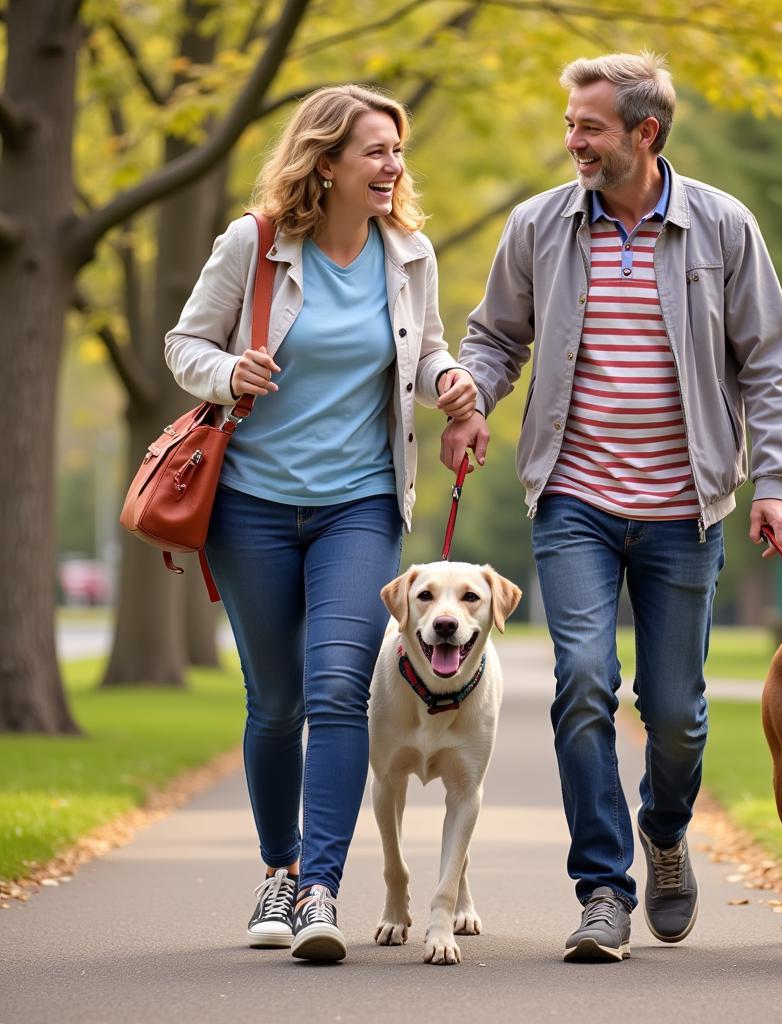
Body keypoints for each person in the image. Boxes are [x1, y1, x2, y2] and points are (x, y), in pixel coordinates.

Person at [441, 52, 782, 962]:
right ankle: (602, 888)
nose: (573, 141)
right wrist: (470, 401)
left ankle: (666, 830)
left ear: (645, 133)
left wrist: (777, 483)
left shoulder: (723, 227)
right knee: (584, 683)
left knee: (675, 709)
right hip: (574, 498)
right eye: (569, 124)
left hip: (686, 506)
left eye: (588, 126)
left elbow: (770, 362)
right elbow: (495, 337)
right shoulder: (540, 226)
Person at [166, 85, 476, 962]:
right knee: (276, 702)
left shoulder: (408, 254)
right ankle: (279, 865)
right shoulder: (255, 245)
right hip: (253, 506)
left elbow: (423, 351)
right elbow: (183, 345)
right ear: (326, 160)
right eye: (375, 151)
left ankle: (320, 890)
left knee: (339, 689)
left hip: (360, 503)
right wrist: (229, 374)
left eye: (397, 151)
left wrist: (448, 382)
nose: (392, 167)